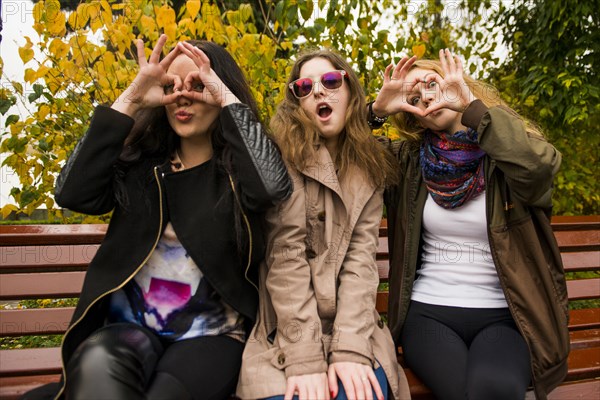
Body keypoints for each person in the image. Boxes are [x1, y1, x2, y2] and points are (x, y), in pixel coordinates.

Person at [23, 34, 292, 400]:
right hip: (126, 329)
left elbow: (272, 188)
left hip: (212, 335)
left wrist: (225, 98)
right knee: (95, 368)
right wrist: (134, 95)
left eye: (197, 84)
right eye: (171, 86)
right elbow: (71, 193)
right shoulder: (140, 167)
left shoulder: (237, 175)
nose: (183, 95)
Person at [367, 49, 569, 400]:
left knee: (495, 388)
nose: (427, 96)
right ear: (415, 117)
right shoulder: (408, 163)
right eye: (414, 98)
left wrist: (472, 108)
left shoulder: (505, 153)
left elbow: (537, 171)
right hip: (430, 316)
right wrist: (376, 112)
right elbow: (339, 150)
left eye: (432, 84)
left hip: (505, 316)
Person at [236, 48, 410, 400]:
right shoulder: (282, 157)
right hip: (287, 330)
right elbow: (286, 261)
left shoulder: (369, 165)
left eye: (330, 81)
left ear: (350, 91)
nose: (318, 91)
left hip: (352, 325)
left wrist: (349, 349)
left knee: (359, 391)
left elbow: (361, 264)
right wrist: (305, 357)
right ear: (297, 102)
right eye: (304, 86)